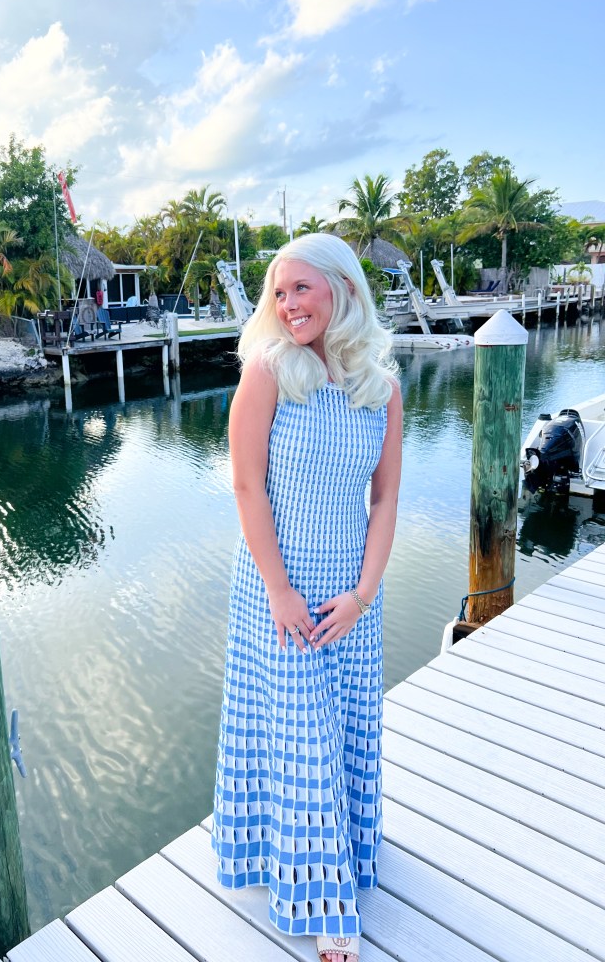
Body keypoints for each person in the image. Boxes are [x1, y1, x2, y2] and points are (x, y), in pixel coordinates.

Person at [212, 233, 402, 962]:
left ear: (343, 288)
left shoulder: (382, 389)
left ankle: (341, 851)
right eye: (279, 292)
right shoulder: (268, 371)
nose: (288, 304)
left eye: (301, 288)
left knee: (344, 727)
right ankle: (327, 904)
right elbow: (245, 486)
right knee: (299, 738)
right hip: (278, 590)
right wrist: (281, 590)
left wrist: (363, 594)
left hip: (353, 593)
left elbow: (384, 501)